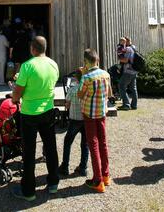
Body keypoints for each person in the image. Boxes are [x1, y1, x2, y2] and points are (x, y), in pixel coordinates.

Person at [10, 36, 59, 201]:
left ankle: (29, 191)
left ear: (32, 48)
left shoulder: (27, 66)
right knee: (50, 147)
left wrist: (14, 98)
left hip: (30, 112)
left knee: (29, 152)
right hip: (48, 110)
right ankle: (53, 183)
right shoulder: (53, 64)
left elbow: (18, 92)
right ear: (45, 48)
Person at [78, 48, 112, 193]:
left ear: (86, 62)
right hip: (102, 112)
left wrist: (83, 75)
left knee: (93, 144)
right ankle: (105, 175)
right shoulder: (106, 74)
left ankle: (97, 180)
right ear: (97, 60)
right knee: (103, 142)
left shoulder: (86, 77)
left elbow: (80, 94)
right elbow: (110, 93)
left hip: (89, 114)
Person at [59, 70, 88, 177]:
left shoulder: (72, 89)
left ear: (76, 78)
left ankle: (65, 166)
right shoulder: (87, 89)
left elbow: (67, 105)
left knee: (68, 142)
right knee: (85, 144)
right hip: (85, 118)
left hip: (74, 119)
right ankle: (83, 167)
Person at [117, 42, 138, 111]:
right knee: (133, 88)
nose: (122, 44)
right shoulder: (134, 48)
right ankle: (134, 105)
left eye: (123, 42)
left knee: (121, 86)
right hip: (134, 71)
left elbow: (125, 60)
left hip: (128, 71)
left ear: (126, 42)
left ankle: (126, 105)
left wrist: (120, 58)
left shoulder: (128, 49)